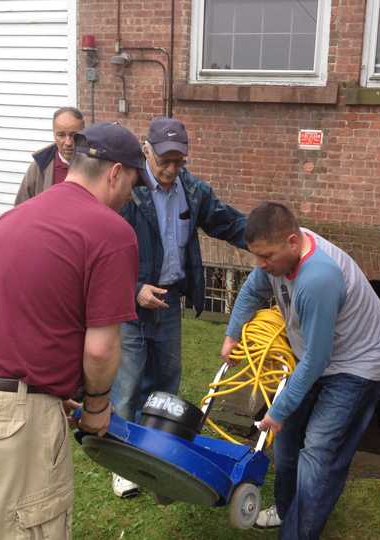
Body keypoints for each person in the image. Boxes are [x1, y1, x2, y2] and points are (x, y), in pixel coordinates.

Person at [0, 122, 146, 540]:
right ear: (115, 173)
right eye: (132, 181)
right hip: (7, 419)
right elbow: (100, 349)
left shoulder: (18, 214)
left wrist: (48, 389)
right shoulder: (112, 231)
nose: (132, 195)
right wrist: (96, 406)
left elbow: (16, 310)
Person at [220, 202, 380, 539]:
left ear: (291, 241)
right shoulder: (277, 258)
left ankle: (298, 533)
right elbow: (252, 290)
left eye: (266, 257)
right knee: (285, 442)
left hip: (359, 363)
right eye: (256, 256)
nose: (260, 265)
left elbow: (317, 359)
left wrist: (280, 408)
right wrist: (232, 335)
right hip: (319, 356)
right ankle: (287, 511)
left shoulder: (318, 278)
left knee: (318, 450)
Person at [111, 116, 248, 497]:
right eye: (164, 160)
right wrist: (135, 288)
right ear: (146, 149)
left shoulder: (191, 190)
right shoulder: (128, 192)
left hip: (169, 302)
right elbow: (104, 253)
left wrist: (266, 237)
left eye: (179, 161)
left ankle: (156, 452)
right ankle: (124, 462)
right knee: (128, 384)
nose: (171, 169)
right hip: (131, 303)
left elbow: (226, 222)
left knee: (166, 379)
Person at [14, 106, 85, 204]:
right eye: (61, 135)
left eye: (74, 135)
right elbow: (20, 210)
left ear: (84, 133)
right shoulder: (38, 167)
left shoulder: (97, 167)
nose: (68, 142)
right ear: (54, 135)